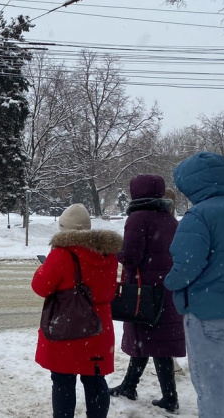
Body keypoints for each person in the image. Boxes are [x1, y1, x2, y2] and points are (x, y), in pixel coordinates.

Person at [32, 203, 123, 418]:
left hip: (68, 327)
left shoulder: (62, 254)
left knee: (63, 379)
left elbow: (41, 287)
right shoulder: (107, 254)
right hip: (98, 327)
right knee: (94, 378)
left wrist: (44, 267)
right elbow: (109, 289)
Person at [109, 174, 183, 414]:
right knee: (155, 341)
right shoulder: (170, 219)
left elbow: (130, 257)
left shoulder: (137, 218)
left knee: (145, 339)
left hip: (143, 292)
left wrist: (117, 252)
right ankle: (132, 385)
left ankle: (168, 397)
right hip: (165, 289)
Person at [165, 152, 224, 418]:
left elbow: (186, 266)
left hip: (208, 315)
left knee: (214, 391)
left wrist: (169, 282)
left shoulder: (200, 215)